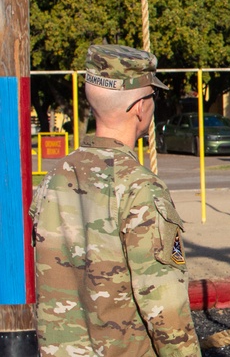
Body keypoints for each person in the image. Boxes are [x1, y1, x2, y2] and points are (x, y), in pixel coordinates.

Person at [30, 44, 201, 356]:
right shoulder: (139, 187)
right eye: (154, 96)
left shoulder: (52, 179)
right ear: (139, 106)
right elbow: (165, 308)